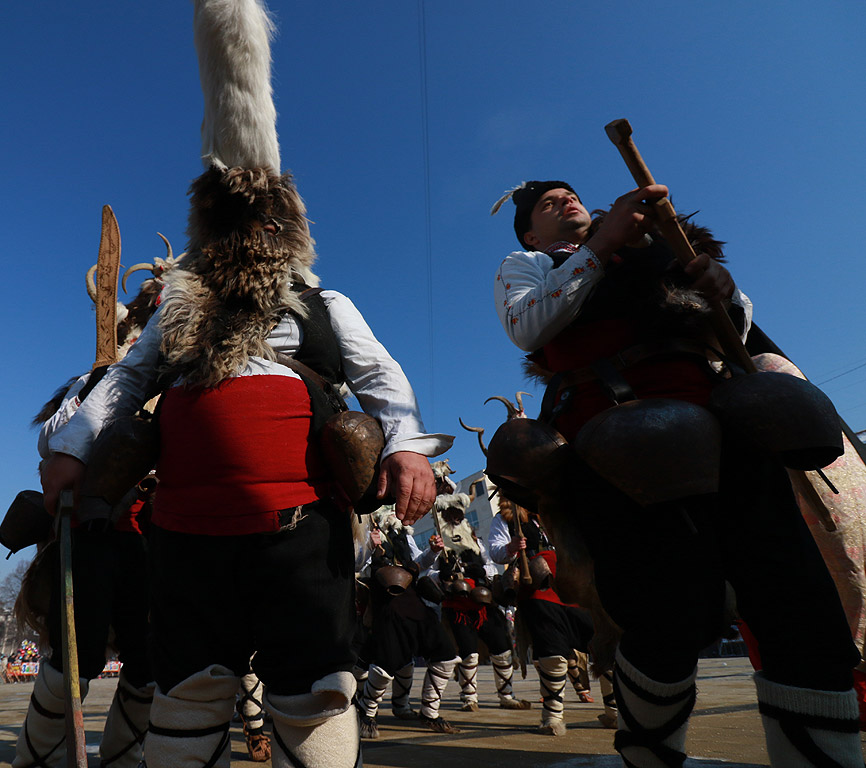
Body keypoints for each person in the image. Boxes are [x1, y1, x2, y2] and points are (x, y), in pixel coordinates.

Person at [38, 3, 452, 767]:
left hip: (303, 531)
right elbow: (127, 380)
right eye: (229, 223)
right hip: (187, 532)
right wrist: (70, 450)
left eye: (260, 223)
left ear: (285, 231)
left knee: (315, 690)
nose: (245, 236)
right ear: (206, 234)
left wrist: (408, 448)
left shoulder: (327, 305)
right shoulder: (177, 313)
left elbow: (383, 379)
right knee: (189, 691)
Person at [490, 180, 863, 767]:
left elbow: (731, 332)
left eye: (570, 194)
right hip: (615, 443)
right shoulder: (529, 264)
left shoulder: (660, 244)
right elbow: (527, 327)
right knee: (666, 616)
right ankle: (650, 757)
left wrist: (725, 291)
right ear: (532, 233)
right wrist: (602, 244)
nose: (567, 201)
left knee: (796, 600)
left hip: (728, 430)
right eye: (547, 203)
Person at [488, 497, 605, 735]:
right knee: (552, 650)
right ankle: (552, 717)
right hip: (537, 587)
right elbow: (496, 552)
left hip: (569, 581)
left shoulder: (550, 512)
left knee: (601, 640)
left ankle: (614, 711)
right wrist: (511, 547)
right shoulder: (504, 519)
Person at [353, 507, 460, 738]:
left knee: (446, 654)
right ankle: (366, 712)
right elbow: (354, 565)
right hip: (386, 604)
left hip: (414, 602)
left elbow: (419, 563)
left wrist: (432, 552)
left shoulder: (403, 531)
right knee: (387, 663)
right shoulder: (362, 525)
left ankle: (429, 713)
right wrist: (369, 546)